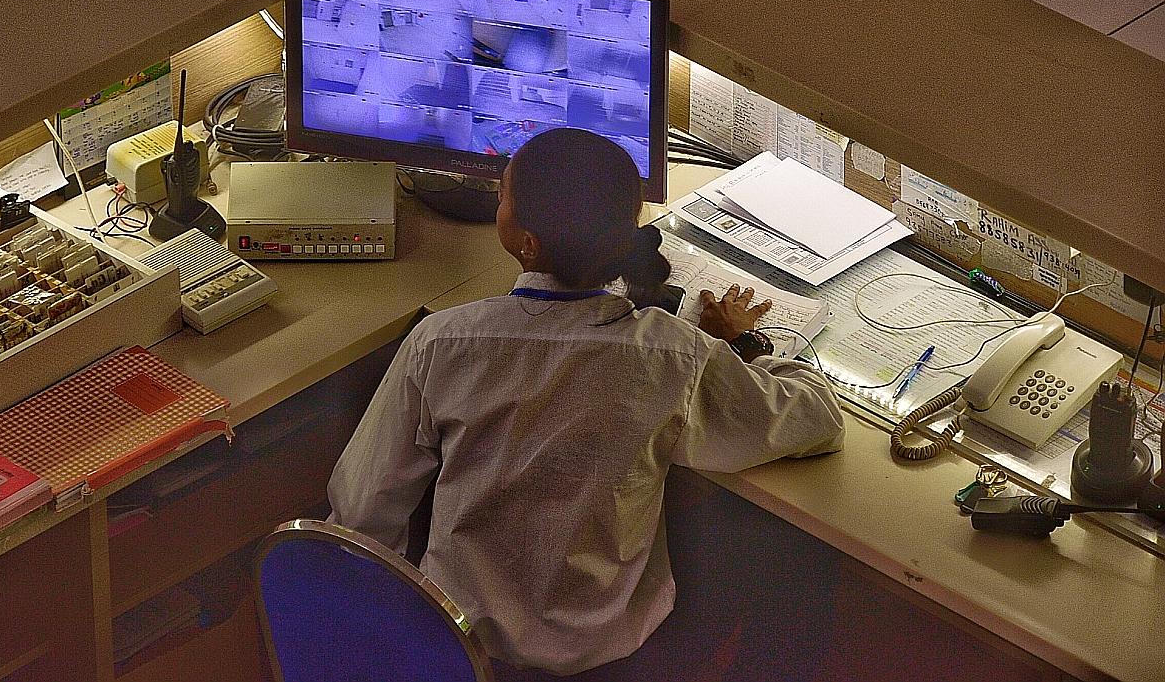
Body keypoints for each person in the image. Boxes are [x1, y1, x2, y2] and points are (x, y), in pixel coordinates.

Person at [327, 127, 845, 678]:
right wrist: (740, 346)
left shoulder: (443, 343)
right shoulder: (672, 355)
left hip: (462, 647)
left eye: (502, 193)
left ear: (525, 240)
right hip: (605, 656)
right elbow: (818, 419)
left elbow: (362, 511)